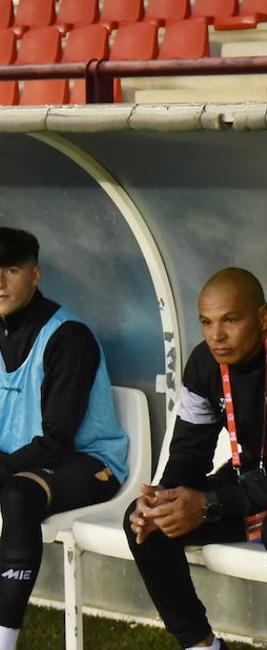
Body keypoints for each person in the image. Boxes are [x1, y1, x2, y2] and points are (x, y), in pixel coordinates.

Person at [125, 268, 267, 650]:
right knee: (147, 523)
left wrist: (211, 503)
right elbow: (189, 450)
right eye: (206, 322)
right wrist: (165, 497)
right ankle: (201, 645)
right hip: (247, 485)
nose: (215, 335)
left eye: (230, 320)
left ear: (263, 317)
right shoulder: (205, 362)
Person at [0, 228, 129, 650]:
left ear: (35, 274)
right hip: (23, 460)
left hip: (90, 464)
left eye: (12, 270)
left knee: (18, 496)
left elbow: (56, 440)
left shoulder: (68, 336)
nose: (0, 282)